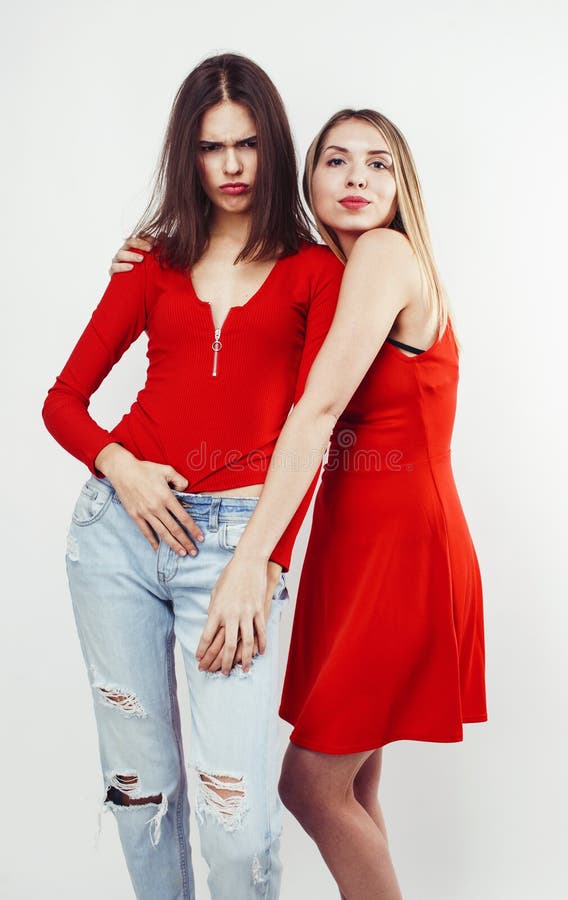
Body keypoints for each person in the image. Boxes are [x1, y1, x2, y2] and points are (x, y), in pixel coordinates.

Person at [42, 53, 344, 900]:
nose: (234, 167)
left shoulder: (315, 273)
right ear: (190, 154)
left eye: (248, 144)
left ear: (272, 146)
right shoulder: (152, 264)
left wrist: (266, 559)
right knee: (143, 798)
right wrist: (124, 469)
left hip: (235, 552)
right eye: (213, 148)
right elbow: (62, 402)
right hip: (117, 536)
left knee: (236, 822)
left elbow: (310, 435)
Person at [193, 108, 488, 900]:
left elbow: (316, 416)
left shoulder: (386, 255)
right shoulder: (334, 275)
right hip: (355, 546)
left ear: (402, 188)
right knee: (351, 788)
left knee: (311, 786)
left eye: (379, 163)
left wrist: (249, 561)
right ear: (309, 180)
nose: (357, 177)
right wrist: (147, 257)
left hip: (401, 551)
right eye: (337, 161)